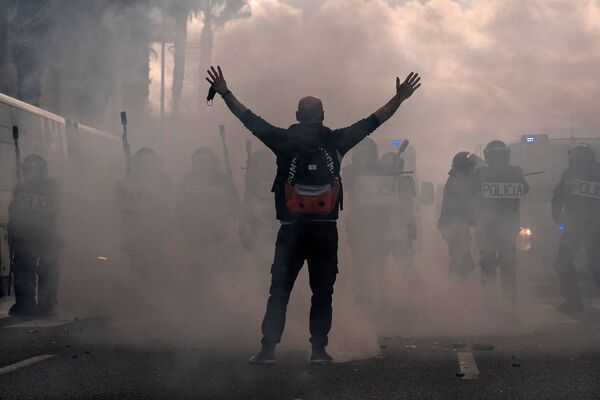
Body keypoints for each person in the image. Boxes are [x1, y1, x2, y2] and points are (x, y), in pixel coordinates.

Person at [205, 65, 421, 364]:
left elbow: (248, 119)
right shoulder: (337, 141)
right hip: (324, 229)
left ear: (297, 116)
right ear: (323, 115)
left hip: (291, 229)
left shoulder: (283, 140)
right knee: (322, 293)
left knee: (279, 291)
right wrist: (399, 98)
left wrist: (225, 92)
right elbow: (374, 120)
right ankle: (319, 350)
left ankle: (268, 349)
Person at [471, 140, 528, 306]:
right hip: (503, 225)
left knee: (490, 263)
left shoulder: (481, 173)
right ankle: (508, 301)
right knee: (507, 263)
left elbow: (471, 192)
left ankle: (490, 302)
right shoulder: (515, 171)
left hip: (491, 226)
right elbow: (525, 189)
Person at [8, 154, 61, 316]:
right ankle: (46, 305)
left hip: (33, 236)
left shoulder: (23, 188)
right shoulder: (52, 187)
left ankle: (27, 305)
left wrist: (13, 236)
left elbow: (14, 213)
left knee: (30, 270)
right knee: (46, 271)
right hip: (43, 236)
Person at [551, 144, 600, 314]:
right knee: (588, 264)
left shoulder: (570, 174)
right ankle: (573, 303)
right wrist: (560, 219)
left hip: (583, 229)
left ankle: (573, 303)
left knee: (567, 263)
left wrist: (559, 219)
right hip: (581, 228)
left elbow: (556, 198)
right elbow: (557, 197)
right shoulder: (571, 175)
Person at [177, 147, 237, 284]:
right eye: (199, 163)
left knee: (219, 267)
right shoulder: (187, 181)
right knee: (197, 265)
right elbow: (179, 205)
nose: (203, 167)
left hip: (218, 232)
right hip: (195, 232)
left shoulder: (223, 180)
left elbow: (233, 203)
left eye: (205, 163)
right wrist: (183, 223)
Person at [117, 147, 171, 290]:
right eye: (141, 163)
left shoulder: (163, 180)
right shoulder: (129, 179)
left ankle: (157, 295)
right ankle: (140, 298)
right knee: (136, 267)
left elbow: (168, 206)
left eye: (147, 163)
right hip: (135, 234)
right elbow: (125, 211)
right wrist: (125, 234)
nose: (144, 167)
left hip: (154, 233)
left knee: (156, 265)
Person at [343, 137, 383, 306]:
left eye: (369, 153)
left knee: (380, 262)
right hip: (358, 225)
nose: (366, 157)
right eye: (363, 153)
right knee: (360, 264)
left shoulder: (382, 171)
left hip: (381, 223)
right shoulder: (350, 172)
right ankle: (361, 298)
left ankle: (383, 297)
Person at [378, 151, 423, 290]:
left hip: (400, 230)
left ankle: (420, 294)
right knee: (378, 267)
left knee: (406, 265)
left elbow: (408, 204)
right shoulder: (373, 183)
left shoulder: (406, 182)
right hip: (380, 230)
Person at [438, 152, 477, 281]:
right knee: (461, 259)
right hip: (454, 226)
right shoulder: (459, 182)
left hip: (453, 225)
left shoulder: (456, 179)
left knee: (461, 258)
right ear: (464, 168)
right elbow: (463, 205)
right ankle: (456, 289)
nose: (472, 171)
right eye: (470, 168)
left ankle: (457, 289)